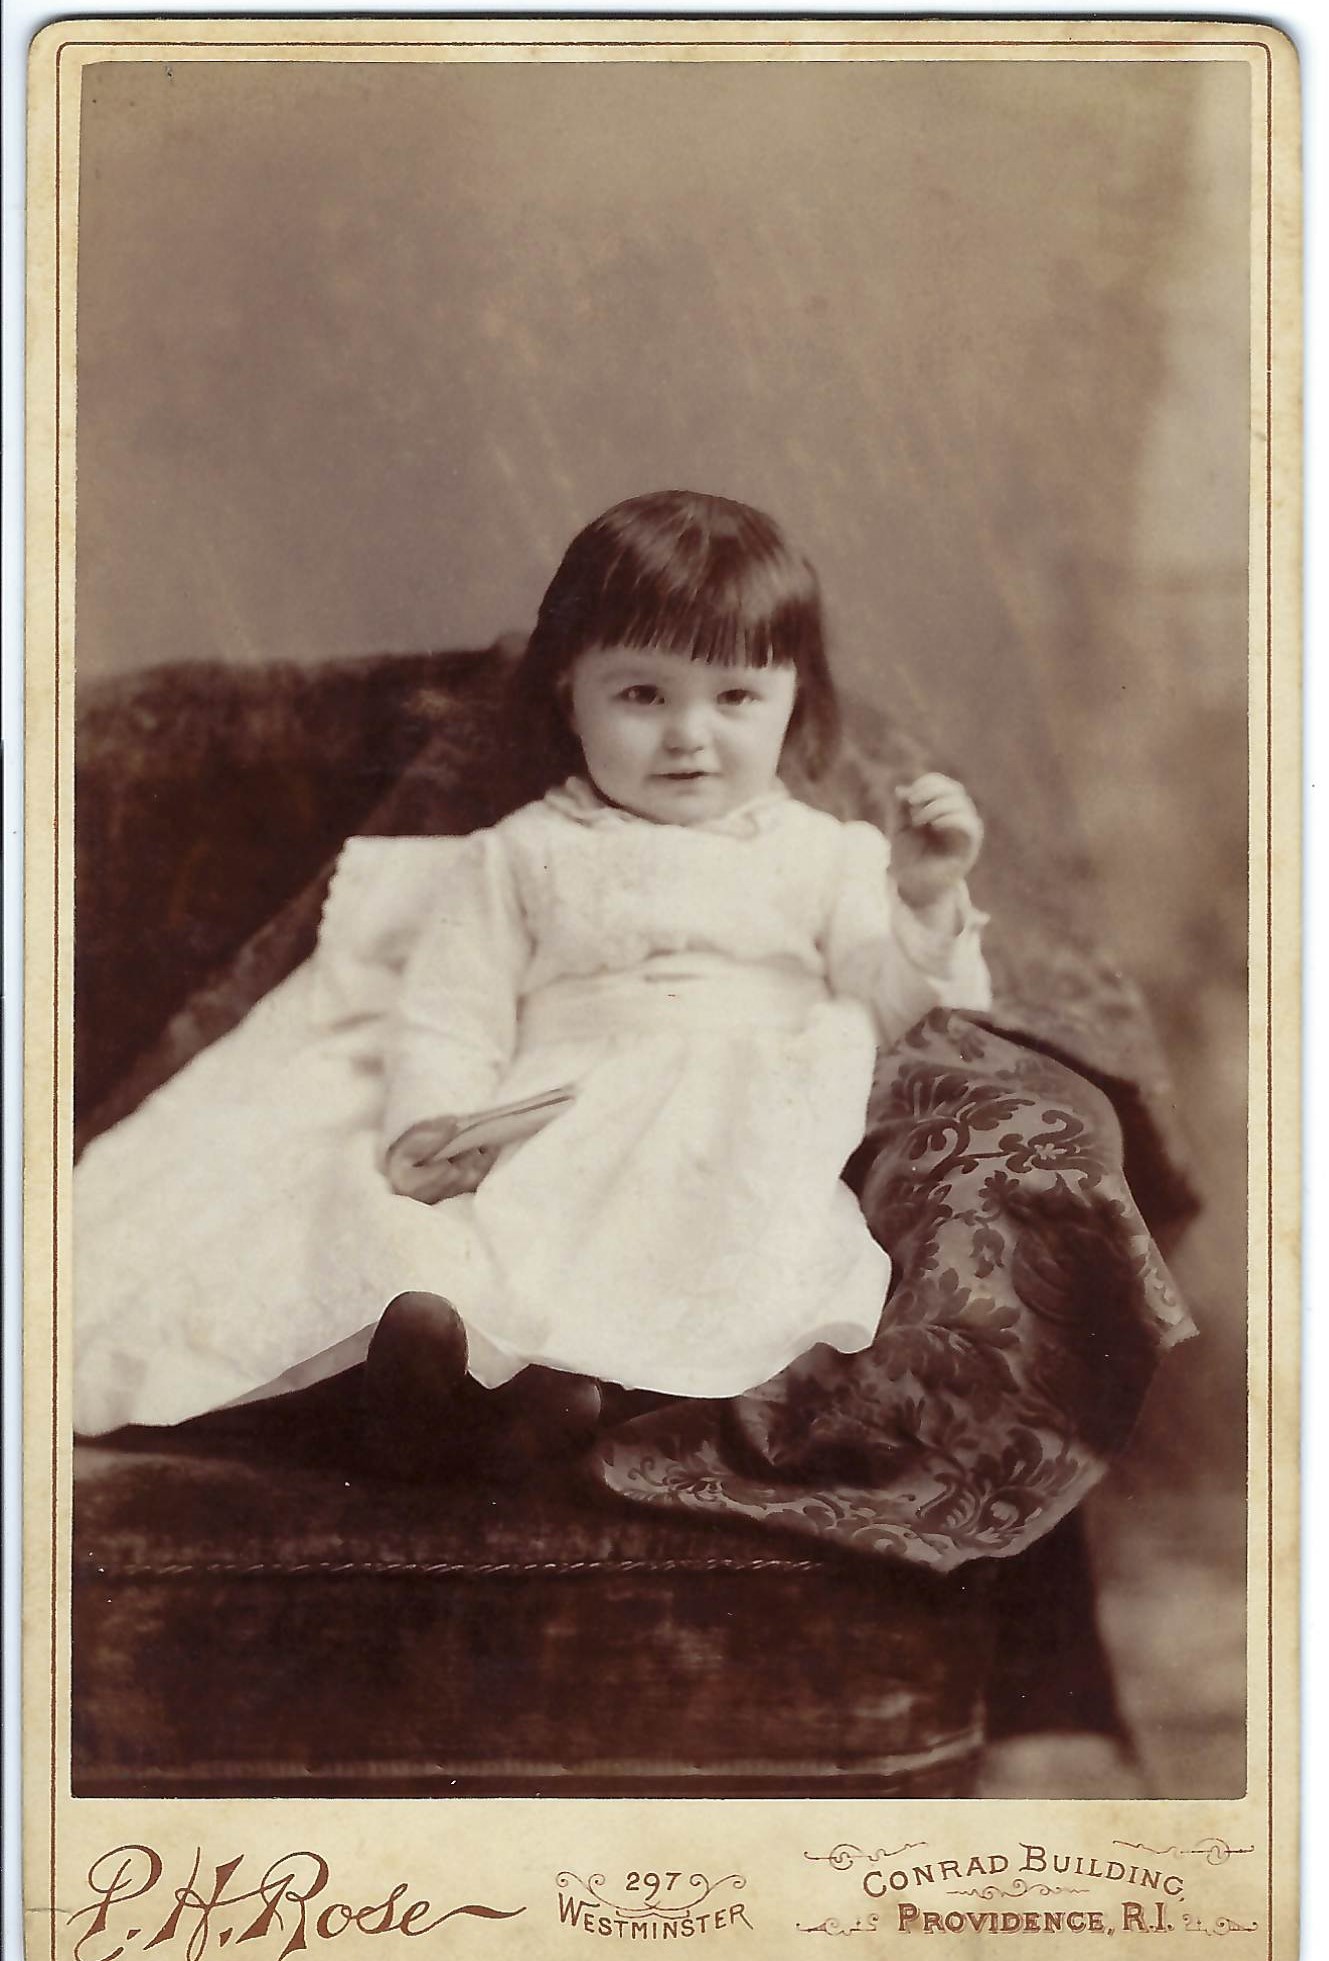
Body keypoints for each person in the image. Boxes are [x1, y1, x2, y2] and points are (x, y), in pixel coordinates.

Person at [74, 491, 990, 1478]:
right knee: (488, 1265)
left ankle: (575, 1402)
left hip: (746, 1118)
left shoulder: (827, 854)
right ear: (570, 697)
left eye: (733, 698)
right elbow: (450, 1015)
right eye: (643, 696)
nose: (688, 735)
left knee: (727, 1262)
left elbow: (890, 1005)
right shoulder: (521, 853)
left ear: (791, 699)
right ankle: (452, 1396)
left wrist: (925, 897)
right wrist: (434, 1126)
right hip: (567, 1115)